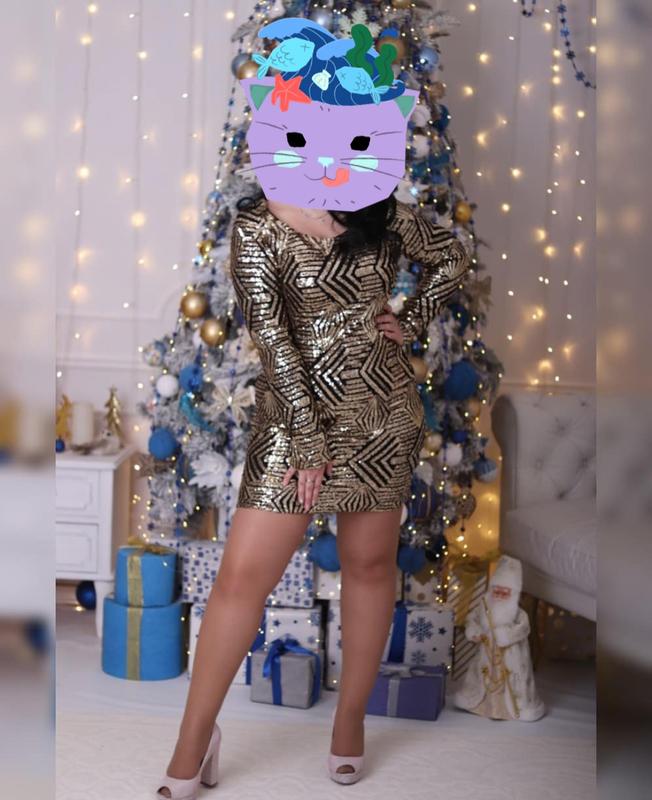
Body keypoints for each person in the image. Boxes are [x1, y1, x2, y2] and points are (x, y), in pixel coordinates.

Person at [155, 16, 469, 798]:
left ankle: (348, 720)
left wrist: (410, 315)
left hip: (381, 413)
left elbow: (454, 255)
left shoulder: (381, 212)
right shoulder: (257, 227)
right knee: (241, 579)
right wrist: (302, 440)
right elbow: (273, 342)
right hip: (294, 420)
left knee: (370, 565)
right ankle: (193, 743)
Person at [453, 555, 546, 722]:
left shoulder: (518, 613)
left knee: (511, 681)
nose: (500, 595)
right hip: (486, 652)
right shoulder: (484, 607)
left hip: (510, 654)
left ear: (513, 593)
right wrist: (474, 631)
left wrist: (505, 636)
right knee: (483, 677)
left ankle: (512, 708)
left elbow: (524, 628)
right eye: (497, 590)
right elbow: (471, 619)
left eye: (505, 592)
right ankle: (483, 705)